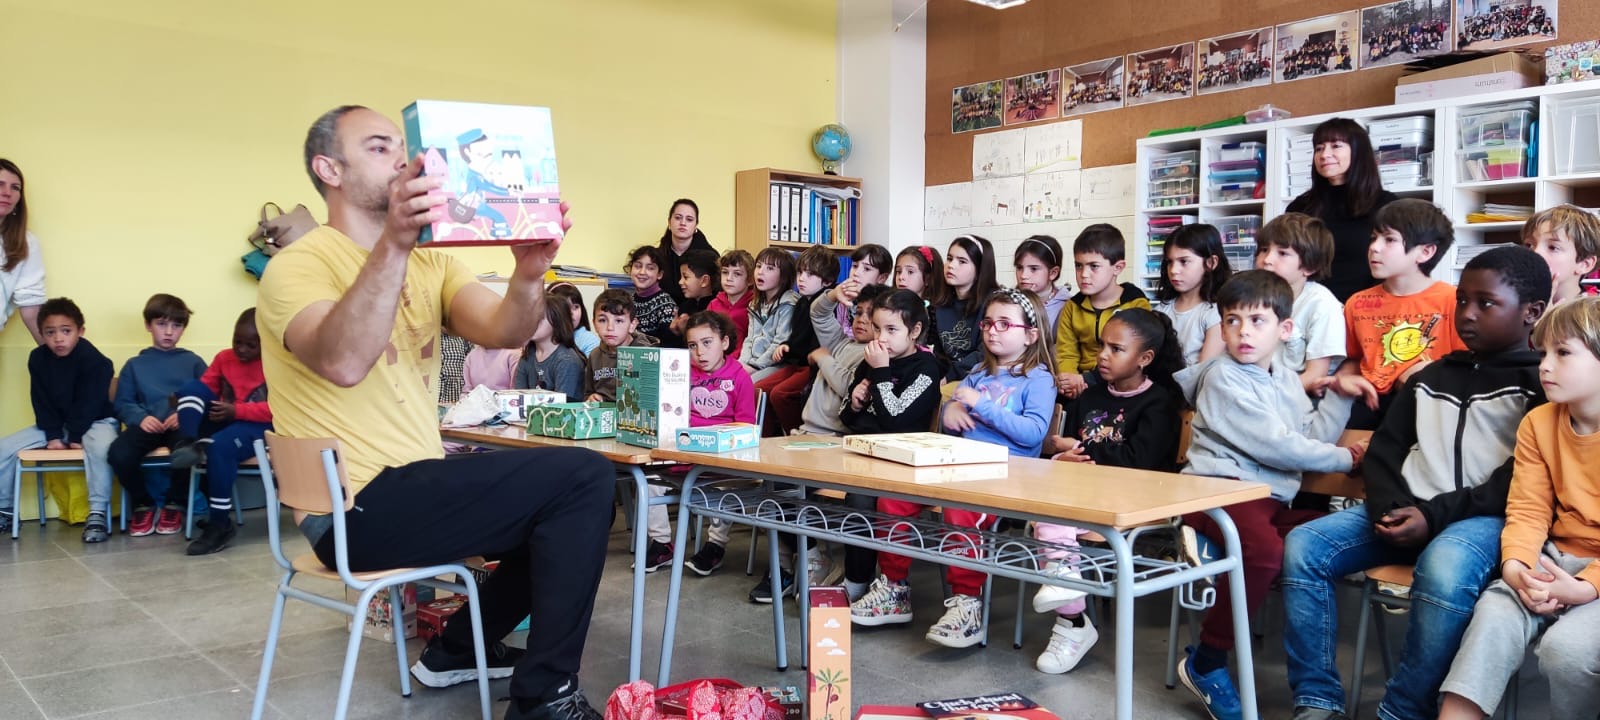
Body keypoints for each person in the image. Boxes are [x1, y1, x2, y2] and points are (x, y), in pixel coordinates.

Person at [258, 105, 611, 720]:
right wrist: (396, 241)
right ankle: (544, 698)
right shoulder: (297, 266)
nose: (403, 159)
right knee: (583, 478)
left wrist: (529, 272)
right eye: (378, 147)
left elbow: (505, 330)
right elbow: (343, 361)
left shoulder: (434, 262)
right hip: (349, 507)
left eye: (403, 146)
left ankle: (455, 651)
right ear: (329, 170)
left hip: (412, 486)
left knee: (561, 504)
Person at [1281, 246, 1551, 720]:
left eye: (1486, 303)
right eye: (1462, 301)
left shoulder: (1540, 383)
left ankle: (1403, 710)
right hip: (1408, 511)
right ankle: (1317, 698)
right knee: (1305, 546)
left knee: (1445, 568)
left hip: (1485, 521)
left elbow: (1521, 477)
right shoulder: (1430, 376)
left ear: (1531, 312)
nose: (1467, 314)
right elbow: (1385, 449)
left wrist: (1431, 516)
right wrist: (1390, 507)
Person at [1172, 270, 1362, 720]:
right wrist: (1347, 459)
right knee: (1264, 554)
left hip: (1268, 500)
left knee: (1323, 536)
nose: (1244, 332)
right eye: (1232, 321)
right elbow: (1277, 446)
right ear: (1221, 328)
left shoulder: (1285, 380)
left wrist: (1340, 393)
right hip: (1217, 492)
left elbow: (1308, 436)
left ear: (1285, 329)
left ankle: (1313, 684)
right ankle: (1207, 661)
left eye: (1257, 321)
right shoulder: (1223, 377)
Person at [1438, 296, 1600, 720]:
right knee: (1492, 618)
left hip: (1596, 575)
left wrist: (1586, 587)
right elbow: (1528, 509)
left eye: (1563, 353)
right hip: (1552, 558)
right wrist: (1517, 568)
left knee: (1567, 651)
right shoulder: (1538, 422)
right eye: (1543, 352)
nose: (1544, 366)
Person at [850, 288, 1031, 646]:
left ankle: (967, 602)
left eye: (1004, 324)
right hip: (960, 464)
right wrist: (951, 411)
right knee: (893, 499)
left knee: (960, 510)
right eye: (988, 324)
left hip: (1006, 474)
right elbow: (950, 418)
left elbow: (1033, 434)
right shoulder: (977, 374)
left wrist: (980, 405)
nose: (992, 331)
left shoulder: (1037, 379)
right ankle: (894, 589)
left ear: (1030, 334)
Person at [1036, 307, 1185, 674]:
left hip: (1135, 498)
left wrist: (1080, 449)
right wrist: (1065, 455)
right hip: (1084, 492)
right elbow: (1066, 451)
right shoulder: (1089, 397)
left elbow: (1139, 461)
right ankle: (1071, 616)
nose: (1102, 355)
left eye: (1116, 349)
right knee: (1049, 512)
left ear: (1144, 358)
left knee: (1053, 517)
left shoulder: (1159, 403)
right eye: (1102, 345)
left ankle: (1070, 616)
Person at [1320, 199, 1464, 430]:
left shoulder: (1453, 301)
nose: (1374, 247)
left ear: (1425, 252)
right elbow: (1353, 358)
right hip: (1369, 400)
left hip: (1425, 403)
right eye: (1374, 238)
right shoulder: (1357, 303)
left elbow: (1465, 366)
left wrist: (1426, 374)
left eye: (1389, 240)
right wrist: (1344, 378)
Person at [0, 298, 116, 541]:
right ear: (41, 334)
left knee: (102, 449)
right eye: (50, 332)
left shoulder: (95, 360)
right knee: (4, 448)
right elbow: (41, 401)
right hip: (60, 424)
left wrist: (74, 436)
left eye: (66, 331)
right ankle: (6, 511)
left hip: (97, 421)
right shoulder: (37, 358)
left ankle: (97, 513)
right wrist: (53, 435)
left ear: (80, 331)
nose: (58, 339)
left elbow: (90, 402)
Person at [170, 308, 274, 555]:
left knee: (219, 447)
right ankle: (189, 443)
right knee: (191, 389)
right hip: (227, 420)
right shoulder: (224, 358)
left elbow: (278, 409)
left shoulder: (277, 365)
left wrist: (236, 411)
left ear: (266, 343)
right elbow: (205, 389)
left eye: (251, 345)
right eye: (237, 341)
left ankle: (220, 525)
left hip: (261, 426)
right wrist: (186, 401)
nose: (242, 349)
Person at [112, 293, 208, 538]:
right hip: (147, 425)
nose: (168, 332)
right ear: (148, 325)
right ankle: (143, 504)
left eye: (176, 326)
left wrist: (186, 413)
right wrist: (141, 418)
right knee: (118, 454)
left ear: (183, 329)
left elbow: (208, 396)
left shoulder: (193, 362)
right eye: (161, 324)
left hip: (180, 425)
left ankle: (174, 504)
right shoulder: (134, 365)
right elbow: (123, 402)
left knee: (188, 450)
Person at [677, 311, 758, 577]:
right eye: (692, 345)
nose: (699, 352)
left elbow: (745, 428)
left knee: (727, 488)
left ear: (724, 342)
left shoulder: (739, 377)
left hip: (723, 460)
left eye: (707, 342)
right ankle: (661, 543)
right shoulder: (682, 373)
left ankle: (715, 546)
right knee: (649, 482)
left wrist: (708, 435)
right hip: (684, 454)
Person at [1286, 117, 1399, 302]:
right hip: (1311, 307)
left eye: (1336, 146)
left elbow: (1397, 264)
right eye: (1319, 148)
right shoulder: (1300, 207)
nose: (1324, 154)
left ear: (1358, 151)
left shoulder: (1387, 205)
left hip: (1370, 307)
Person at [1054, 224, 1151, 398]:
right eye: (1078, 266)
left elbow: (1134, 357)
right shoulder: (1072, 307)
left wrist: (1088, 379)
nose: (1084, 274)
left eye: (1094, 266)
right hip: (1079, 386)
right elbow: (1066, 353)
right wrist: (1068, 379)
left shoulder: (1136, 304)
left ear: (1118, 267)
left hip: (1122, 385)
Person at [1255, 213, 1347, 396]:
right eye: (1264, 249)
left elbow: (1315, 375)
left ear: (1310, 267)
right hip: (1261, 384)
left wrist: (1267, 394)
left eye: (1282, 253)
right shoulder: (1254, 296)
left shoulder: (1322, 304)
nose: (1267, 259)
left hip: (1299, 394)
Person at [757, 246, 839, 434]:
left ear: (827, 281)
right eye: (800, 272)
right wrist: (786, 346)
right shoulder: (802, 302)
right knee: (759, 390)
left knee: (781, 394)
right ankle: (765, 439)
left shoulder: (828, 306)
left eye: (810, 274)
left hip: (815, 367)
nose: (801, 278)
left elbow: (816, 346)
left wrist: (792, 348)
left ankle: (797, 436)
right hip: (797, 364)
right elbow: (797, 338)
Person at [1152, 224, 1231, 366]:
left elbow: (1203, 370)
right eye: (1170, 262)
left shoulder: (1216, 313)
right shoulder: (1161, 310)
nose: (1174, 270)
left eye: (1184, 261)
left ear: (1211, 262)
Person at [932, 235, 999, 382]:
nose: (951, 265)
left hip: (982, 377)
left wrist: (950, 377)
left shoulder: (995, 303)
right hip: (948, 376)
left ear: (980, 270)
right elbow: (938, 353)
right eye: (949, 258)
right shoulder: (940, 304)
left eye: (962, 261)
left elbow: (986, 352)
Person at [584, 289, 659, 404]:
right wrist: (591, 398)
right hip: (602, 412)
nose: (610, 327)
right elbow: (587, 393)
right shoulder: (595, 356)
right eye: (602, 320)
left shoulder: (646, 355)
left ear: (632, 325)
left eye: (618, 321)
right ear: (594, 323)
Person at [0, 159, 46, 345]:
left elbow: (31, 308)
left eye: (15, 188)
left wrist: (58, 353)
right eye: (0, 184)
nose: (7, 192)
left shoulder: (26, 243)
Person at [1520, 203, 1600, 306]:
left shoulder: (1594, 312)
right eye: (1529, 245)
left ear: (1585, 264)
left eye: (1553, 247)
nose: (1535, 252)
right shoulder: (1514, 303)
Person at [741, 248, 799, 382]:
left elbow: (779, 343)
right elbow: (750, 339)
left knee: (746, 384)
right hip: (754, 362)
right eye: (759, 266)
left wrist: (754, 367)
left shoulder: (789, 304)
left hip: (776, 364)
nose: (760, 272)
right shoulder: (755, 304)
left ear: (784, 276)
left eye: (770, 268)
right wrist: (742, 363)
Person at [515, 294, 585, 399]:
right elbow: (518, 397)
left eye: (539, 318)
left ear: (556, 321)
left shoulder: (566, 360)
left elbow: (561, 405)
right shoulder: (527, 356)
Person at [655, 198, 718, 309]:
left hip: (701, 313)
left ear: (696, 225)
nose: (683, 223)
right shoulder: (658, 256)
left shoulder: (710, 257)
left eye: (689, 219)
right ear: (669, 222)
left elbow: (717, 295)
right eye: (678, 218)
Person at [1013, 235, 1072, 330]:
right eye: (1019, 268)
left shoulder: (1067, 307)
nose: (1023, 275)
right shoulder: (1009, 301)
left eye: (1033, 269)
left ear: (1053, 273)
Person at [625, 245, 677, 345]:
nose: (642, 272)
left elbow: (668, 346)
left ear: (659, 274)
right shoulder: (627, 301)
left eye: (650, 268)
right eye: (638, 266)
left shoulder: (665, 305)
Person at [708, 249, 755, 360]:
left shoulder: (755, 306)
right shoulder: (714, 304)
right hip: (714, 359)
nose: (729, 278)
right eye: (725, 272)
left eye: (737, 274)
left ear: (750, 280)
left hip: (742, 360)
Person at [547, 283, 599, 356]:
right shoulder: (543, 337)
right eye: (565, 307)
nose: (571, 313)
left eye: (576, 307)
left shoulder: (589, 341)